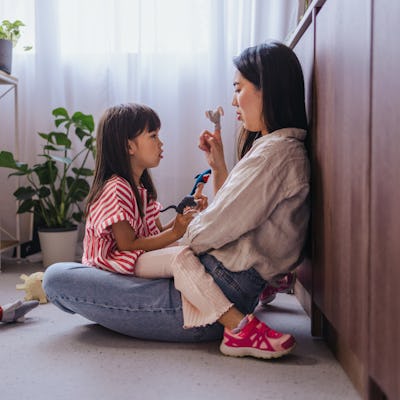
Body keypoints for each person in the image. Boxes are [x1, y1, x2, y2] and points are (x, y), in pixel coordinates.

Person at [43, 40, 310, 360]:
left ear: (267, 89)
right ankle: (234, 320)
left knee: (57, 277)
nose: (233, 99)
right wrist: (218, 171)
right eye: (152, 136)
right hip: (224, 283)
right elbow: (233, 219)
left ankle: (236, 327)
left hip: (208, 298)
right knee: (89, 271)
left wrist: (184, 229)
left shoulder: (274, 154)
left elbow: (203, 234)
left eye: (238, 88)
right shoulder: (275, 150)